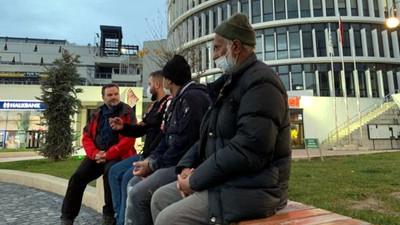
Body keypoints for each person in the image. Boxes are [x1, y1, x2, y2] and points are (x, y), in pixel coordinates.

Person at [151, 13, 291, 225]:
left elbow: (249, 149)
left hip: (254, 188)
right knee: (159, 198)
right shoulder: (228, 84)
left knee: (168, 220)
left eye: (217, 48)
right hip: (225, 180)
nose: (214, 56)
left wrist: (196, 180)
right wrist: (186, 167)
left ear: (235, 47)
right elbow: (208, 135)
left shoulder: (262, 83)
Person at [124, 55, 212, 225]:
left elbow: (184, 144)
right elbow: (167, 137)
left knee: (136, 192)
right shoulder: (179, 99)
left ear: (168, 80)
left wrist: (152, 165)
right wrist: (151, 161)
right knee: (133, 181)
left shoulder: (191, 99)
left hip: (182, 165)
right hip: (171, 161)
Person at [60, 84, 136, 225]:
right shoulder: (96, 114)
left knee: (110, 174)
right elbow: (86, 136)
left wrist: (108, 154)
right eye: (110, 95)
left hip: (117, 155)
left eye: (116, 94)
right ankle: (67, 217)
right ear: (103, 97)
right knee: (77, 178)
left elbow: (129, 140)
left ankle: (108, 215)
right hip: (96, 155)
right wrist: (95, 154)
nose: (114, 97)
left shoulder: (127, 112)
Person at [108, 71, 171, 225]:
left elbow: (165, 134)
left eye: (149, 84)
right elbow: (141, 129)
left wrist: (151, 159)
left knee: (127, 178)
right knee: (113, 171)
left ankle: (123, 221)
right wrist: (123, 127)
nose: (148, 88)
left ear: (157, 84)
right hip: (145, 153)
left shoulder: (168, 104)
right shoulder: (153, 107)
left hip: (154, 156)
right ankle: (119, 214)